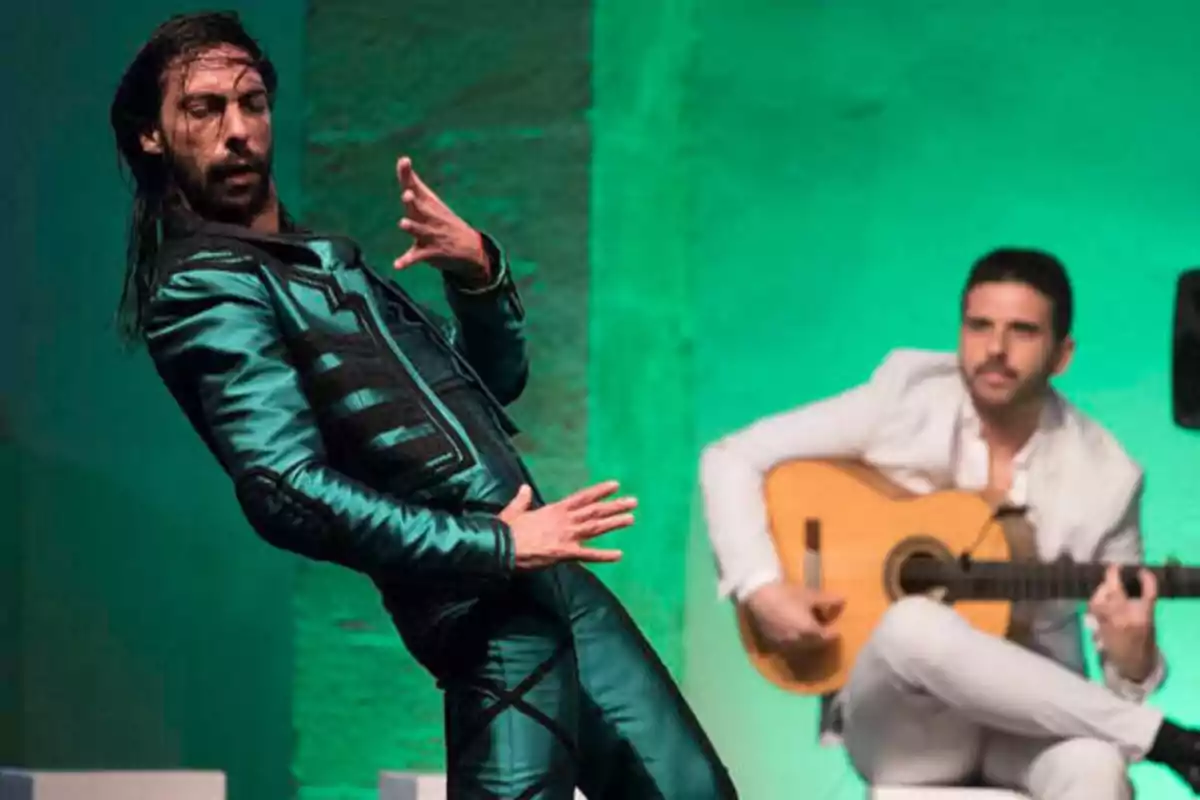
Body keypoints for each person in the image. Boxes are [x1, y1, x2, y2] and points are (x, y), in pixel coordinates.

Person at [110, 11, 736, 799]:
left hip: (541, 577)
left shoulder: (314, 264)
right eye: (204, 109)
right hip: (485, 600)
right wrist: (497, 548)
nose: (238, 130)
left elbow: (485, 387)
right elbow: (282, 488)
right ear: (152, 136)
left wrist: (478, 275)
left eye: (253, 103)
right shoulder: (207, 287)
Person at [699, 248, 1200, 799]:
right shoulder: (905, 397)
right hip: (909, 729)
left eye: (1023, 332)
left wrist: (1133, 651)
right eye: (979, 325)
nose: (995, 349)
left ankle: (1160, 741)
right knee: (914, 622)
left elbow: (1120, 683)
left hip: (1029, 723)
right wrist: (760, 588)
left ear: (1062, 355)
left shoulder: (1108, 475)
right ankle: (1173, 743)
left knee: (1099, 773)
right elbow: (729, 457)